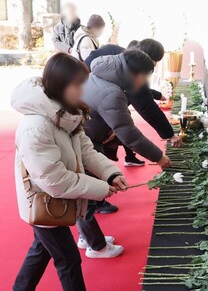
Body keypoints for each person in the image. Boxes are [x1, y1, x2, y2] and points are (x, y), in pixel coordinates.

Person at [11, 53, 127, 291]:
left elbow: (86, 150)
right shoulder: (36, 127)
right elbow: (54, 180)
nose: (83, 90)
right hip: (44, 199)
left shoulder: (66, 112)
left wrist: (110, 173)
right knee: (69, 260)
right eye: (78, 85)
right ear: (60, 85)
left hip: (55, 202)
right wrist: (103, 188)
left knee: (41, 250)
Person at [84, 39, 183, 167]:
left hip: (88, 135)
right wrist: (159, 157)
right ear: (135, 74)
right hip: (88, 140)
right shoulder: (112, 94)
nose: (143, 83)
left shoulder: (115, 67)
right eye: (144, 78)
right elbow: (129, 133)